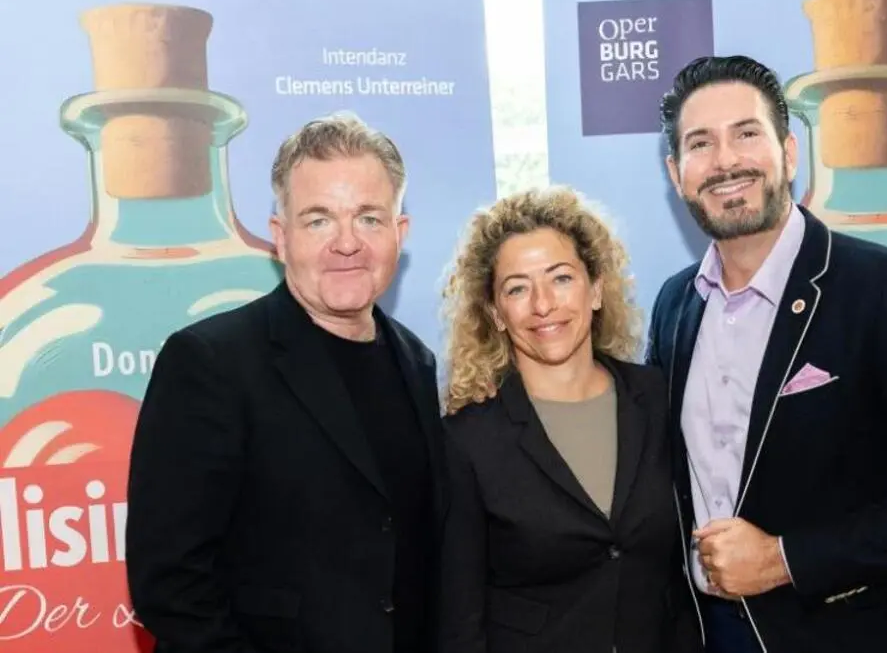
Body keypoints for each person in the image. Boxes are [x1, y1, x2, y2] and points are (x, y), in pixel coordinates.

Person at [644, 55, 887, 652]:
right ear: (676, 171)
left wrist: (784, 559)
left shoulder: (884, 288)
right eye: (700, 143)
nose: (725, 161)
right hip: (710, 635)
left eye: (746, 134)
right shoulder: (675, 305)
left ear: (790, 153)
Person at [125, 111, 445, 653]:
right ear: (280, 237)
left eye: (369, 218)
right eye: (319, 220)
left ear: (400, 232)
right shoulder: (210, 363)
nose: (347, 243)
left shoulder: (417, 362)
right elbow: (171, 583)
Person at [437, 186, 703, 653]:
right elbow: (460, 616)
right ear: (496, 313)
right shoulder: (469, 438)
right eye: (517, 288)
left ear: (596, 288)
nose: (543, 304)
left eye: (561, 278)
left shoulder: (657, 398)